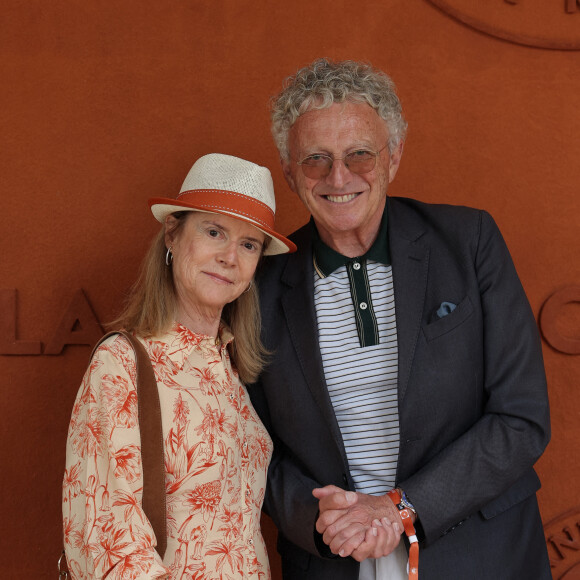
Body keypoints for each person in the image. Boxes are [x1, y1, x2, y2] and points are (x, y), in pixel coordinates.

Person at [248, 58, 551, 579]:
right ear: (289, 170)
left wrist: (401, 507)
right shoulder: (259, 284)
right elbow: (251, 444)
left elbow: (520, 418)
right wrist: (321, 520)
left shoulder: (469, 241)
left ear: (394, 156)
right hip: (335, 558)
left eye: (359, 154)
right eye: (315, 158)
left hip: (478, 553)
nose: (337, 177)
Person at [62, 153, 296, 579]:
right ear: (172, 233)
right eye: (213, 231)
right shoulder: (120, 366)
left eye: (248, 244)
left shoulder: (231, 368)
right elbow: (112, 546)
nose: (230, 257)